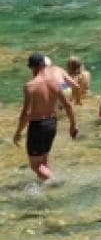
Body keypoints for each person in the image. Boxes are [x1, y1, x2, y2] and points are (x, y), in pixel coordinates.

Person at [13, 53, 78, 182]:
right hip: (52, 123)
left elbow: (26, 113)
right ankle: (47, 186)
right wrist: (73, 124)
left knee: (35, 165)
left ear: (32, 67)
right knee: (44, 160)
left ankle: (54, 181)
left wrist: (18, 132)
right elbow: (67, 105)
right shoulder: (53, 82)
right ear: (44, 65)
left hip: (37, 127)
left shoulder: (30, 86)